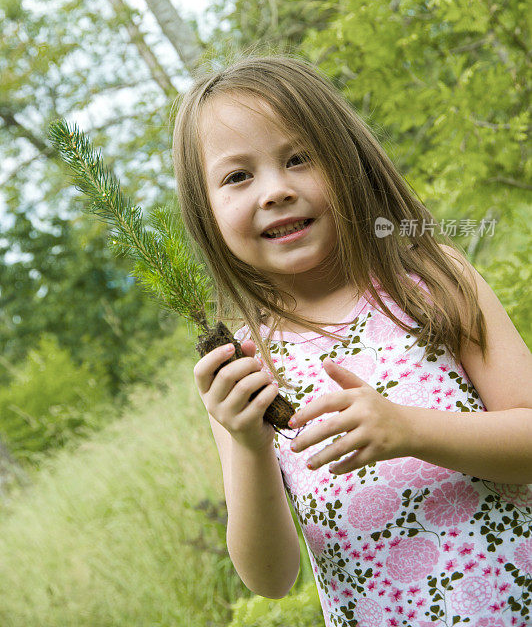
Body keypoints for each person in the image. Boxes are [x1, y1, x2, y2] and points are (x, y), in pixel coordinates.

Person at [172, 51, 532, 627]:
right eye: (238, 175)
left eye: (298, 158)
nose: (275, 190)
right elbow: (271, 576)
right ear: (207, 211)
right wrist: (247, 444)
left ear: (347, 162)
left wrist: (408, 429)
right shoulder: (247, 365)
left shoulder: (431, 281)